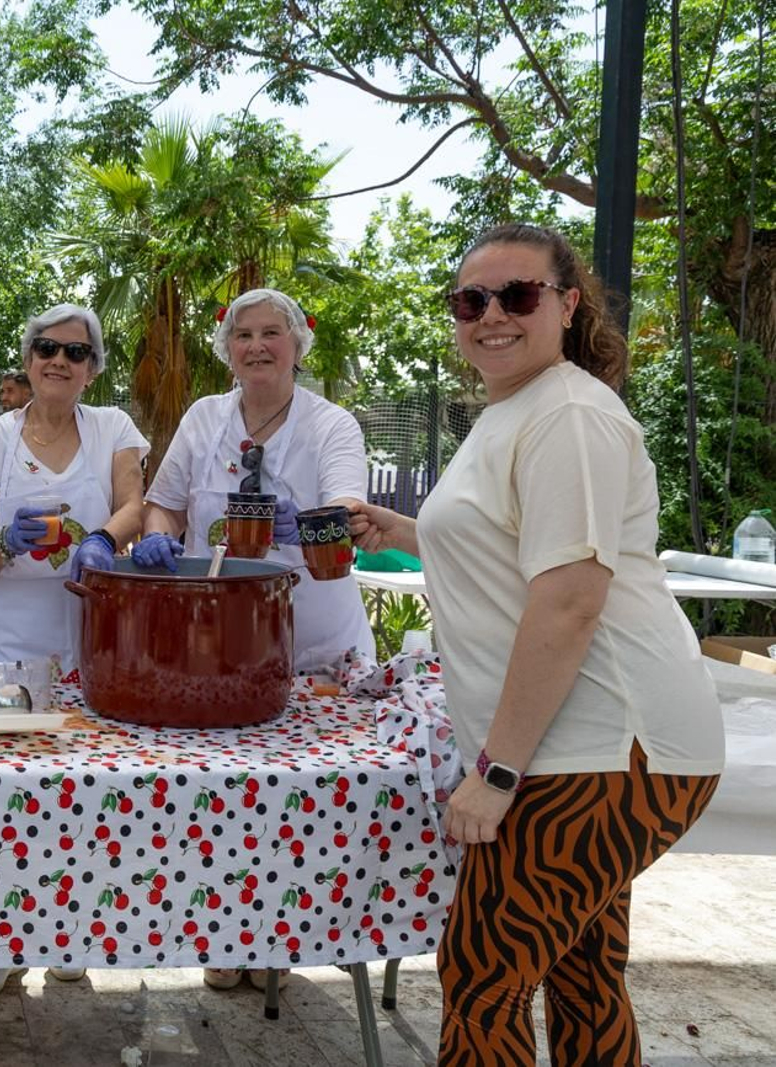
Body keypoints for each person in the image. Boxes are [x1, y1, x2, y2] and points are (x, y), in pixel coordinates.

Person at [349, 223, 721, 1064]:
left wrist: (496, 774)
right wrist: (404, 529)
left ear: (568, 304)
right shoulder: (521, 409)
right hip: (586, 749)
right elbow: (511, 551)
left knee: (483, 979)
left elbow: (568, 602)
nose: (492, 315)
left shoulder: (569, 416)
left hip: (600, 749)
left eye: (518, 295)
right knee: (581, 974)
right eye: (471, 300)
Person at [137, 288, 374, 994]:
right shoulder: (205, 417)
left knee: (301, 804)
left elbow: (349, 506)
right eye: (244, 334)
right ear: (228, 348)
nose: (257, 346)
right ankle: (224, 929)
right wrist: (157, 537)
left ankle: (280, 934)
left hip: (312, 644)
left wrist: (313, 523)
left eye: (273, 333)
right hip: (218, 646)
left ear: (298, 344)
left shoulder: (330, 424)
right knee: (220, 798)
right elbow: (164, 502)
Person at [0, 304, 147, 999]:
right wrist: (7, 543)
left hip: (92, 635)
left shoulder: (113, 427)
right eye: (46, 348)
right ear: (28, 358)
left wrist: (100, 539)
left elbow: (133, 503)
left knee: (87, 791)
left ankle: (73, 931)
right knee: (8, 795)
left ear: (93, 368)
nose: (59, 360)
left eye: (76, 351)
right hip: (10, 640)